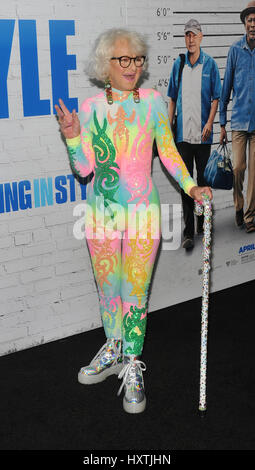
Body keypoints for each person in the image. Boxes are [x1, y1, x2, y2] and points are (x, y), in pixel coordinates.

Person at [55, 28, 212, 414]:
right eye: (122, 59)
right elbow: (84, 169)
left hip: (144, 213)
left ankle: (133, 363)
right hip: (101, 214)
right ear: (105, 65)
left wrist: (192, 186)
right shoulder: (91, 108)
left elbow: (170, 152)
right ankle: (112, 350)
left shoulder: (154, 102)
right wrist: (74, 138)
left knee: (135, 292)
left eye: (137, 59)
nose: (132, 66)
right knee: (109, 290)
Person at [167, 19, 221, 250]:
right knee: (185, 183)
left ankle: (203, 223)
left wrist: (210, 122)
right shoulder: (178, 65)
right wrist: (168, 125)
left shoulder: (209, 65)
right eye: (187, 35)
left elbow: (215, 98)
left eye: (194, 35)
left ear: (200, 37)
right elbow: (171, 97)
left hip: (203, 135)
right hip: (182, 136)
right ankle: (189, 231)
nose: (190, 39)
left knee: (204, 182)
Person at [220, 1, 255, 233]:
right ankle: (238, 206)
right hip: (239, 122)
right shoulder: (235, 51)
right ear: (244, 24)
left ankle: (251, 216)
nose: (253, 24)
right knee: (238, 168)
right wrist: (222, 124)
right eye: (250, 20)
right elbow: (226, 90)